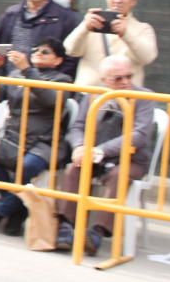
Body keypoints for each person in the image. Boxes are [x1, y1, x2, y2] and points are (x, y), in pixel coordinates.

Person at [55, 55, 157, 256]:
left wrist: (101, 150)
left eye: (129, 76)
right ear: (104, 80)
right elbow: (78, 127)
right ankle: (65, 227)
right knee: (73, 169)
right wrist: (79, 147)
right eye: (118, 79)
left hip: (131, 158)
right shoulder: (94, 95)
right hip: (94, 155)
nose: (125, 82)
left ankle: (96, 233)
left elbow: (139, 134)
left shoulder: (144, 97)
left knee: (119, 175)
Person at [0, 37, 72, 236]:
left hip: (44, 142)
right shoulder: (15, 74)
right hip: (14, 138)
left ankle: (0, 211)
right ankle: (18, 209)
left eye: (45, 52)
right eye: (35, 49)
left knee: (27, 167)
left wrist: (28, 70)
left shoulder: (62, 80)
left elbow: (51, 100)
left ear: (58, 60)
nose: (38, 53)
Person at [63, 0, 157, 88]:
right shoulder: (92, 22)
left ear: (134, 0)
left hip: (126, 100)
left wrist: (126, 33)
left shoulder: (142, 29)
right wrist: (85, 28)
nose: (118, 0)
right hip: (90, 97)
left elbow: (147, 57)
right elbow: (70, 49)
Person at [0, 0, 79, 78]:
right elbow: (1, 50)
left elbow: (71, 57)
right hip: (10, 85)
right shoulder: (10, 14)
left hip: (45, 87)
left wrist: (51, 83)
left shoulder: (66, 18)